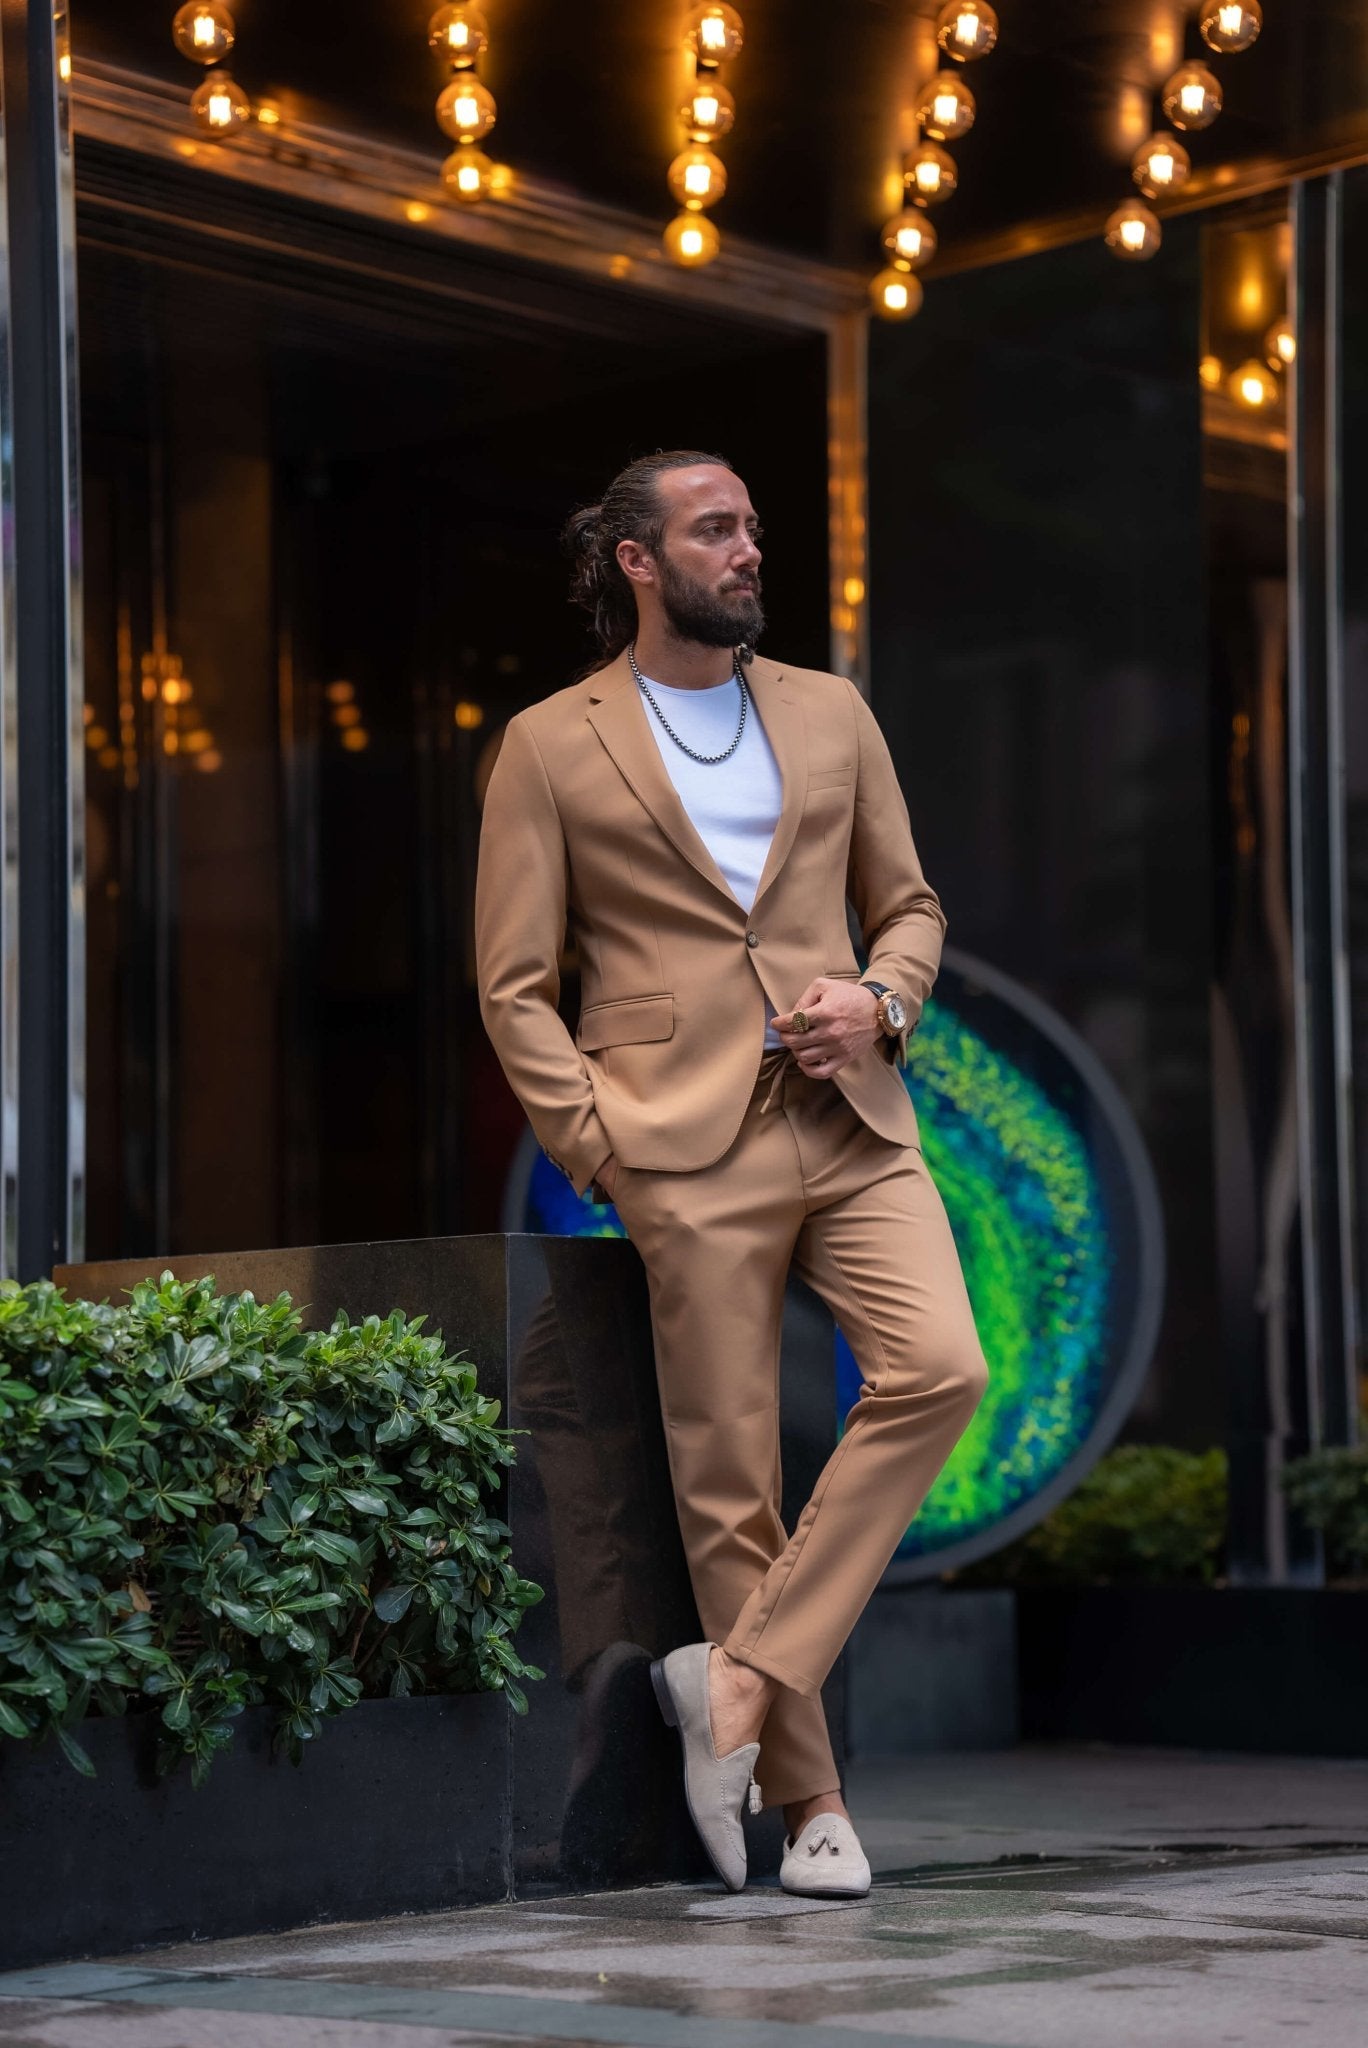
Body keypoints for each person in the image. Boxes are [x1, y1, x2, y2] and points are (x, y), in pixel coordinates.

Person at [475, 449, 988, 1897]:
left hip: (850, 1116)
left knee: (942, 1367)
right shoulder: (548, 742)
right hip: (676, 1138)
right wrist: (600, 1149)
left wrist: (880, 1003)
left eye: (753, 528)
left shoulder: (829, 710)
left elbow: (910, 906)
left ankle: (742, 1678)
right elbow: (515, 982)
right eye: (715, 531)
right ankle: (815, 1810)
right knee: (730, 1485)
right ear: (638, 561)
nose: (748, 551)